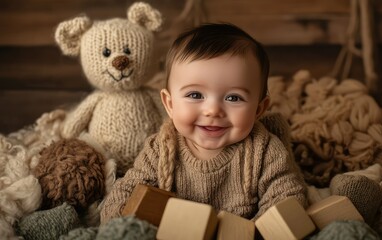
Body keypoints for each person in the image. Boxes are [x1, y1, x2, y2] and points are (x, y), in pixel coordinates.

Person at [100, 23, 307, 223]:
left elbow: (288, 195)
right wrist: (121, 223)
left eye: (234, 98)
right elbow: (127, 192)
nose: (213, 110)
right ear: (170, 104)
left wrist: (255, 231)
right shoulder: (160, 149)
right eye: (195, 94)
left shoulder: (264, 150)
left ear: (259, 109)